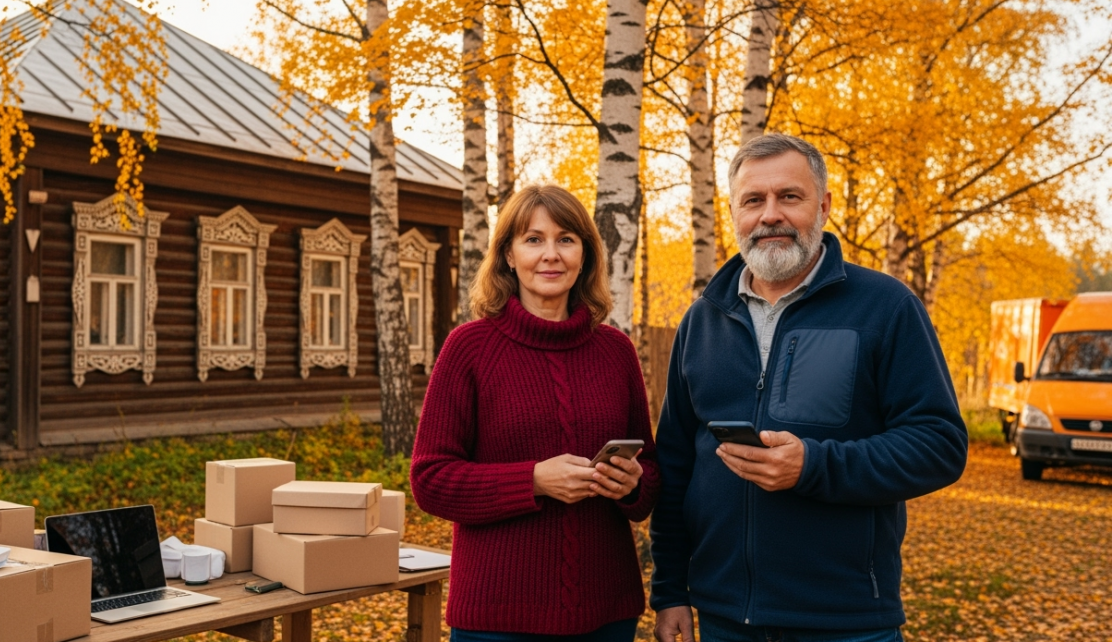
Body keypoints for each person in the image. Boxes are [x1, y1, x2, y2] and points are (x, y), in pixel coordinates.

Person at [650, 134, 968, 642]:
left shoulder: (885, 307)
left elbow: (939, 445)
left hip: (846, 622)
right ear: (734, 213)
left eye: (789, 197)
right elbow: (675, 467)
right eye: (753, 200)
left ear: (822, 206)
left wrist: (813, 466)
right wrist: (669, 591)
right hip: (723, 619)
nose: (770, 215)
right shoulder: (702, 321)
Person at [411, 184, 660, 641]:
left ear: (585, 254)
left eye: (566, 239)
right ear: (507, 254)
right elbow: (430, 480)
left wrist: (632, 483)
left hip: (607, 613)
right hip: (497, 618)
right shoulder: (468, 348)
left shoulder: (615, 350)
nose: (551, 254)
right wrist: (533, 480)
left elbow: (650, 477)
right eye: (533, 239)